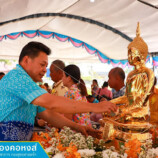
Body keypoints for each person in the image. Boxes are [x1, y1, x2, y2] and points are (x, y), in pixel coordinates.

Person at [0, 41, 117, 141]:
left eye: (46, 66)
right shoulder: (17, 77)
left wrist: (78, 127)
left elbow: (48, 114)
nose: (44, 71)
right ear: (26, 60)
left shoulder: (28, 85)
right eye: (42, 65)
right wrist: (96, 107)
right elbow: (52, 103)